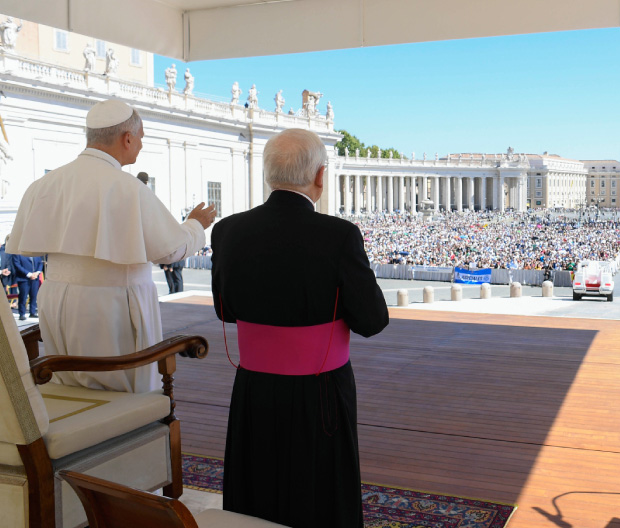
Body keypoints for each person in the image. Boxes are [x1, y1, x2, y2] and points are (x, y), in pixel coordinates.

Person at [211, 128, 389, 527]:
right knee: (319, 490)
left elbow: (226, 311)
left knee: (257, 482)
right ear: (320, 176)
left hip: (254, 387)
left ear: (267, 174)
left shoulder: (226, 230)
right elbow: (373, 321)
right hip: (319, 392)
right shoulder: (340, 235)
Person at [7, 99, 216, 392]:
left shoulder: (43, 184)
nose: (141, 145)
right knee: (121, 390)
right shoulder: (128, 187)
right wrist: (195, 225)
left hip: (55, 300)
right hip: (111, 306)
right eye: (140, 138)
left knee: (69, 383)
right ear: (127, 138)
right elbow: (170, 250)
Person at [11, 253, 43, 320]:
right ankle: (22, 314)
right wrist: (28, 274)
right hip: (23, 278)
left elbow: (40, 263)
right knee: (23, 296)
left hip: (35, 278)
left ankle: (32, 312)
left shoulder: (36, 253)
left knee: (34, 296)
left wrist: (37, 272)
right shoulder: (17, 253)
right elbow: (17, 265)